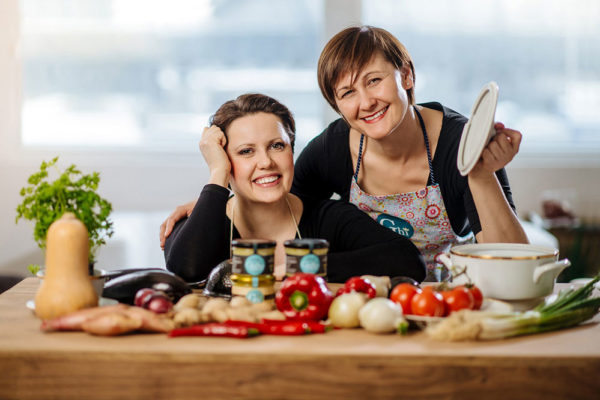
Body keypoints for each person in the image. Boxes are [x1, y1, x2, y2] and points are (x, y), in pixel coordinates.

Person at [161, 26, 528, 281]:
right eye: (347, 92)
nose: (366, 102)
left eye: (374, 80)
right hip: (376, 298)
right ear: (336, 104)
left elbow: (513, 263)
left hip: (451, 299)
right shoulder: (332, 149)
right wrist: (213, 199)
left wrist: (480, 173)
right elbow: (276, 198)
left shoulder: (459, 142)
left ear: (407, 76)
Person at [163, 93, 426, 283]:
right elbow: (187, 269)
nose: (266, 162)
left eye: (277, 146)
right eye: (246, 152)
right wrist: (217, 174)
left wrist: (299, 267)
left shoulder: (329, 217)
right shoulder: (197, 223)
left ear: (292, 151)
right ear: (225, 160)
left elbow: (408, 261)